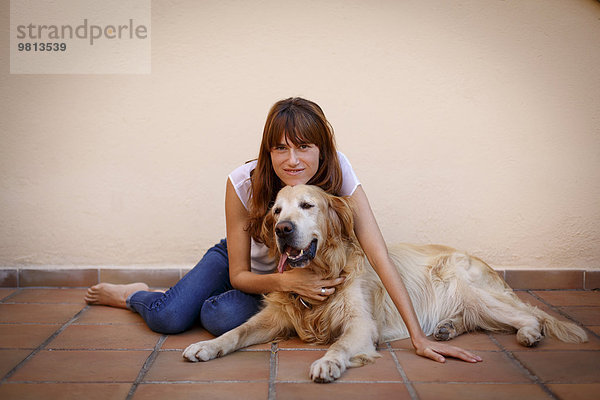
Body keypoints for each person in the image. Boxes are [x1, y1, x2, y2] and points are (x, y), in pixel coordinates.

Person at [85, 97, 482, 364]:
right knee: (169, 316)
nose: (292, 160)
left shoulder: (339, 171)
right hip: (240, 264)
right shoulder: (243, 181)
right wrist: (290, 282)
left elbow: (377, 251)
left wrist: (417, 335)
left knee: (218, 315)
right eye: (280, 148)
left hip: (287, 279)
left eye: (304, 147)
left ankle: (198, 300)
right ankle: (134, 294)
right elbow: (240, 274)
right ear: (268, 151)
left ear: (322, 149)